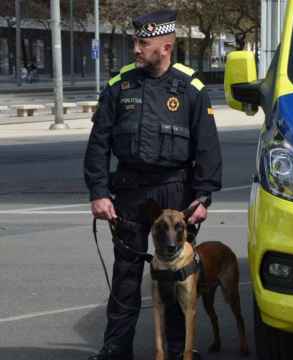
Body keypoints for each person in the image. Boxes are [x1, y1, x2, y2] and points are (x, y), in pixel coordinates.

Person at [83, 9, 222, 360]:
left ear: (166, 46)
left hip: (174, 192)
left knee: (175, 278)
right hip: (129, 193)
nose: (135, 49)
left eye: (143, 43)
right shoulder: (119, 86)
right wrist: (99, 193)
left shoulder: (190, 88)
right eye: (135, 41)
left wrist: (203, 196)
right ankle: (116, 350)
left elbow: (207, 146)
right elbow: (98, 143)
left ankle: (176, 351)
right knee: (126, 277)